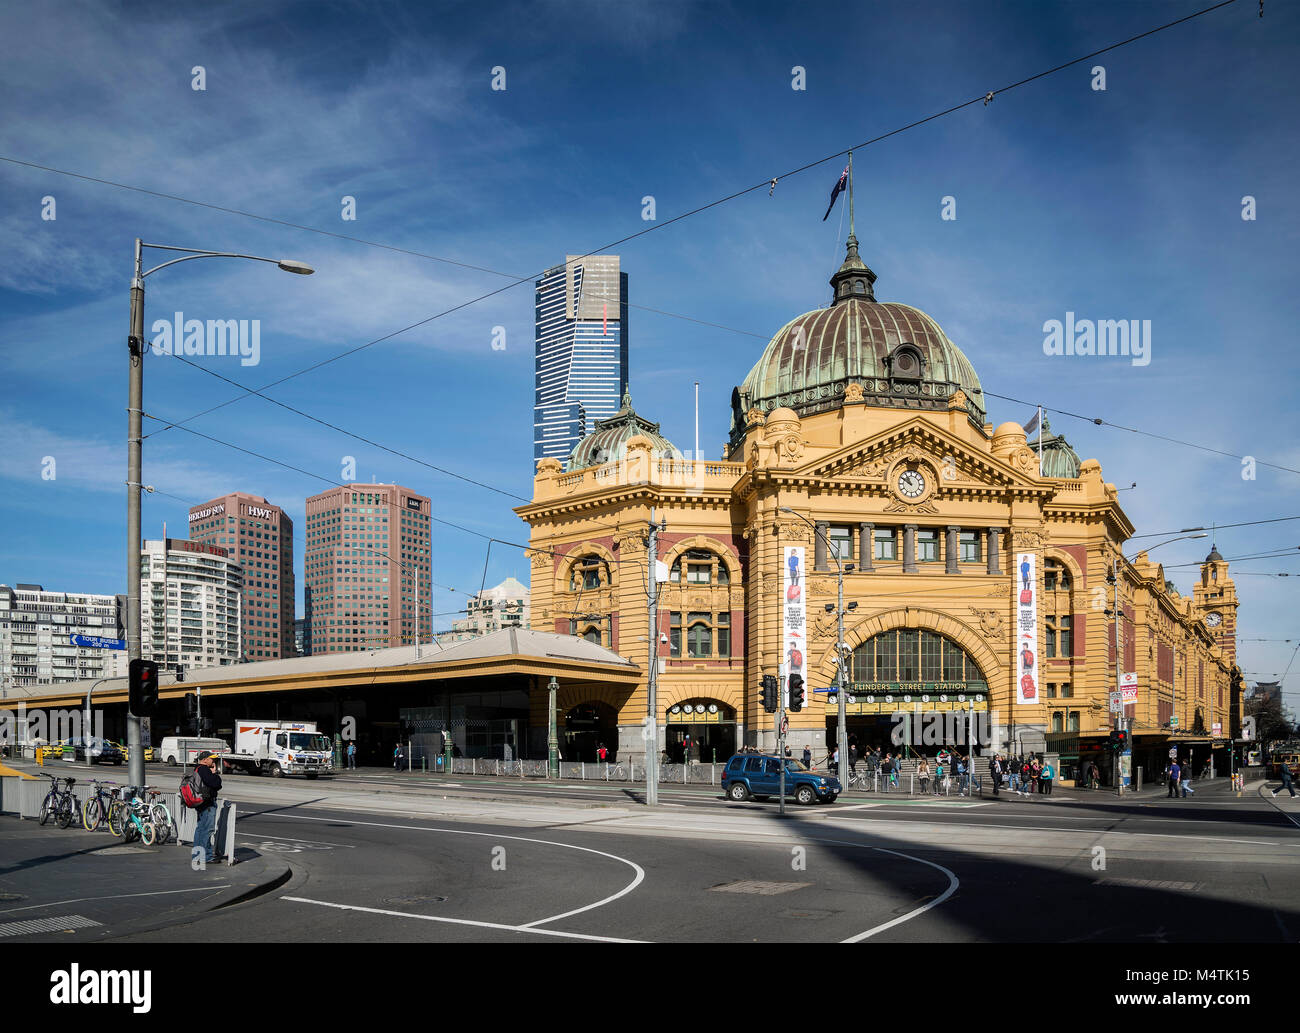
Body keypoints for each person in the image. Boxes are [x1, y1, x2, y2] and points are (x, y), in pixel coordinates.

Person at [191, 751, 223, 864]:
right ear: (205, 760)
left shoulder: (196, 769)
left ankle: (197, 855)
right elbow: (216, 784)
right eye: (211, 759)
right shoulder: (204, 769)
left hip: (200, 803)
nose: (213, 761)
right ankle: (206, 857)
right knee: (207, 830)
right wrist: (215, 774)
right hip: (207, 804)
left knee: (200, 829)